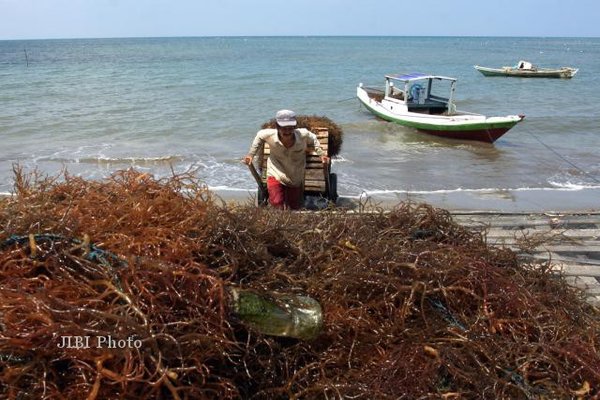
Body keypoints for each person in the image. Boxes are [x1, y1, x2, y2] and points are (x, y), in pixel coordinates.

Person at [243, 109, 330, 210]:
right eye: (284, 128)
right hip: (275, 172)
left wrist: (321, 154)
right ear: (277, 126)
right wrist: (251, 155)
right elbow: (259, 136)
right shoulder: (269, 135)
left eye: (290, 128)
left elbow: (314, 139)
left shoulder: (303, 135)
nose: (287, 131)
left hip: (295, 177)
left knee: (293, 207)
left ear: (294, 127)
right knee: (277, 202)